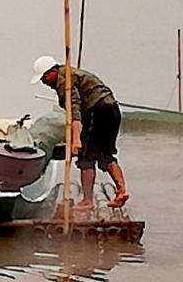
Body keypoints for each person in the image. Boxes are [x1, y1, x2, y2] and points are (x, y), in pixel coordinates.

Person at [30, 55, 129, 209]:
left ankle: (87, 201)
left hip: (98, 111)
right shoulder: (70, 74)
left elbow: (75, 111)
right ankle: (122, 190)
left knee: (86, 157)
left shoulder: (64, 81)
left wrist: (76, 139)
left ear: (52, 72)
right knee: (105, 154)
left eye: (44, 78)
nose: (43, 83)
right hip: (112, 110)